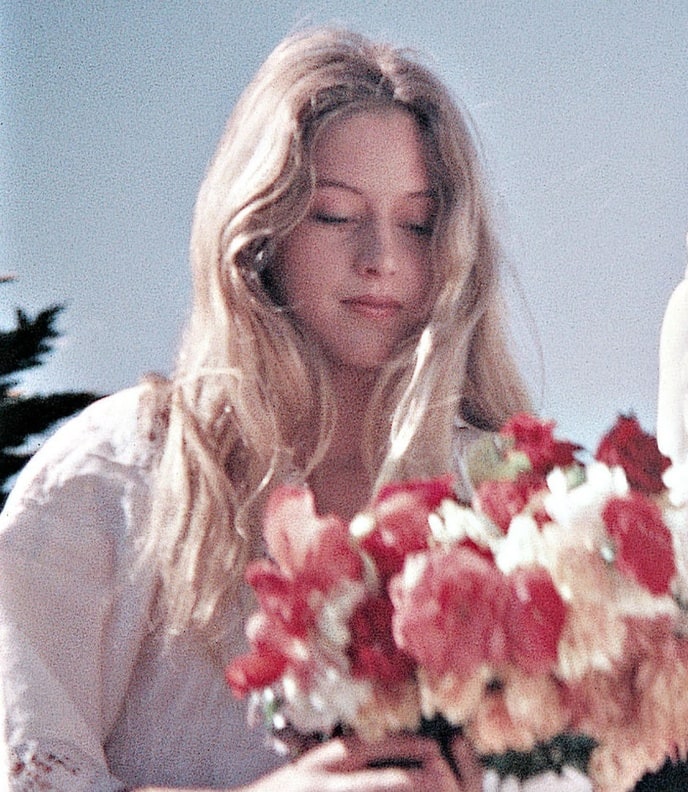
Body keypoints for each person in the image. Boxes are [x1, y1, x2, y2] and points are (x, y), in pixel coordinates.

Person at [0, 25, 552, 792]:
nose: (382, 258)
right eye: (334, 214)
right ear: (262, 228)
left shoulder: (511, 501)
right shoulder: (108, 478)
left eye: (418, 224)